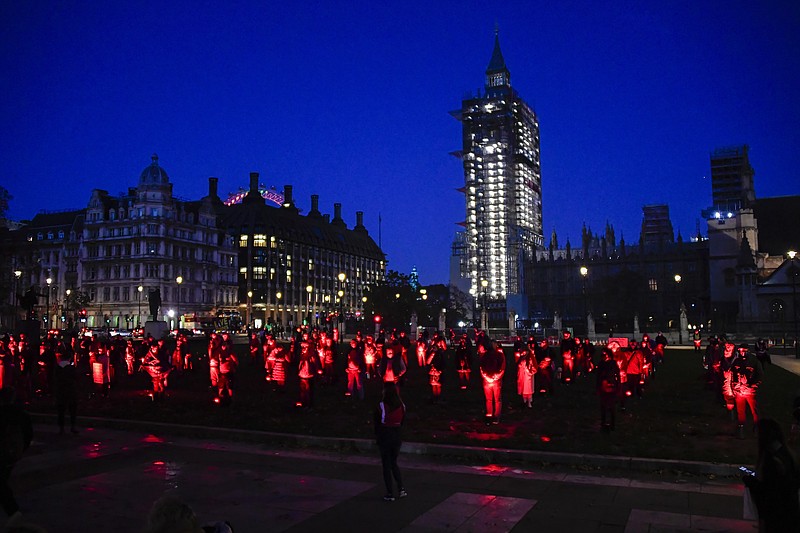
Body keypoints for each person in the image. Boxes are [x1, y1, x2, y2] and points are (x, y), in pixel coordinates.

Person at [742, 419, 800, 531]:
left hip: (777, 517)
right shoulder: (787, 454)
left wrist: (751, 482)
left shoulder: (771, 461)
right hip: (790, 514)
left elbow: (768, 493)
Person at [0, 388, 33, 525]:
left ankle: (13, 511)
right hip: (13, 454)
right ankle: (12, 511)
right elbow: (28, 435)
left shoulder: (2, 413)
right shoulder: (22, 415)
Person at [374, 382, 407, 502]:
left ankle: (389, 492)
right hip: (397, 435)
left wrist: (378, 436)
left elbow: (377, 423)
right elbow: (403, 421)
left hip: (385, 435)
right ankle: (401, 488)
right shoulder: (402, 405)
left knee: (386, 465)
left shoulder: (381, 406)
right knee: (394, 462)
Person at [731, 344, 763, 439]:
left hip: (750, 391)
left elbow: (760, 375)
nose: (742, 353)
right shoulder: (736, 361)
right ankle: (741, 428)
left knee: (755, 411)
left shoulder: (754, 361)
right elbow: (732, 376)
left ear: (748, 351)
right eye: (741, 350)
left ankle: (757, 428)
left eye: (744, 350)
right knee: (740, 411)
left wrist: (753, 386)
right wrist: (734, 388)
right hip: (739, 391)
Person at [479, 340, 505, 425]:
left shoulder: (486, 355)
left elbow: (481, 367)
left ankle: (492, 415)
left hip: (490, 379)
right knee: (494, 399)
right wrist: (495, 376)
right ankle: (493, 415)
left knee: (491, 399)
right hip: (493, 379)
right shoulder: (498, 355)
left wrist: (487, 376)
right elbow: (502, 367)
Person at [54, 350, 79, 434]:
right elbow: (76, 378)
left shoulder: (57, 368)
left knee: (61, 410)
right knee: (72, 409)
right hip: (71, 390)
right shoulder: (71, 368)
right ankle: (73, 426)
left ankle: (61, 428)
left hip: (60, 391)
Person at [596, 347, 620, 432]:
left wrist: (618, 385)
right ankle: (603, 422)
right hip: (603, 386)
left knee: (612, 406)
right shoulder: (601, 363)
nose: (604, 356)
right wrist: (598, 387)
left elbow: (617, 374)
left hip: (612, 386)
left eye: (605, 354)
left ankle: (612, 424)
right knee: (603, 406)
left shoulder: (613, 363)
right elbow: (598, 376)